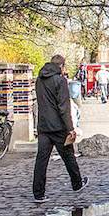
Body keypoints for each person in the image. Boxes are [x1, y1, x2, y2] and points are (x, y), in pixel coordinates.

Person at [33, 55, 88, 203]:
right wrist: (70, 128)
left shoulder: (39, 79)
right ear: (62, 66)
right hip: (58, 126)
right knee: (68, 156)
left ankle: (38, 193)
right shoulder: (60, 80)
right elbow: (64, 107)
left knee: (41, 159)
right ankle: (77, 184)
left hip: (43, 125)